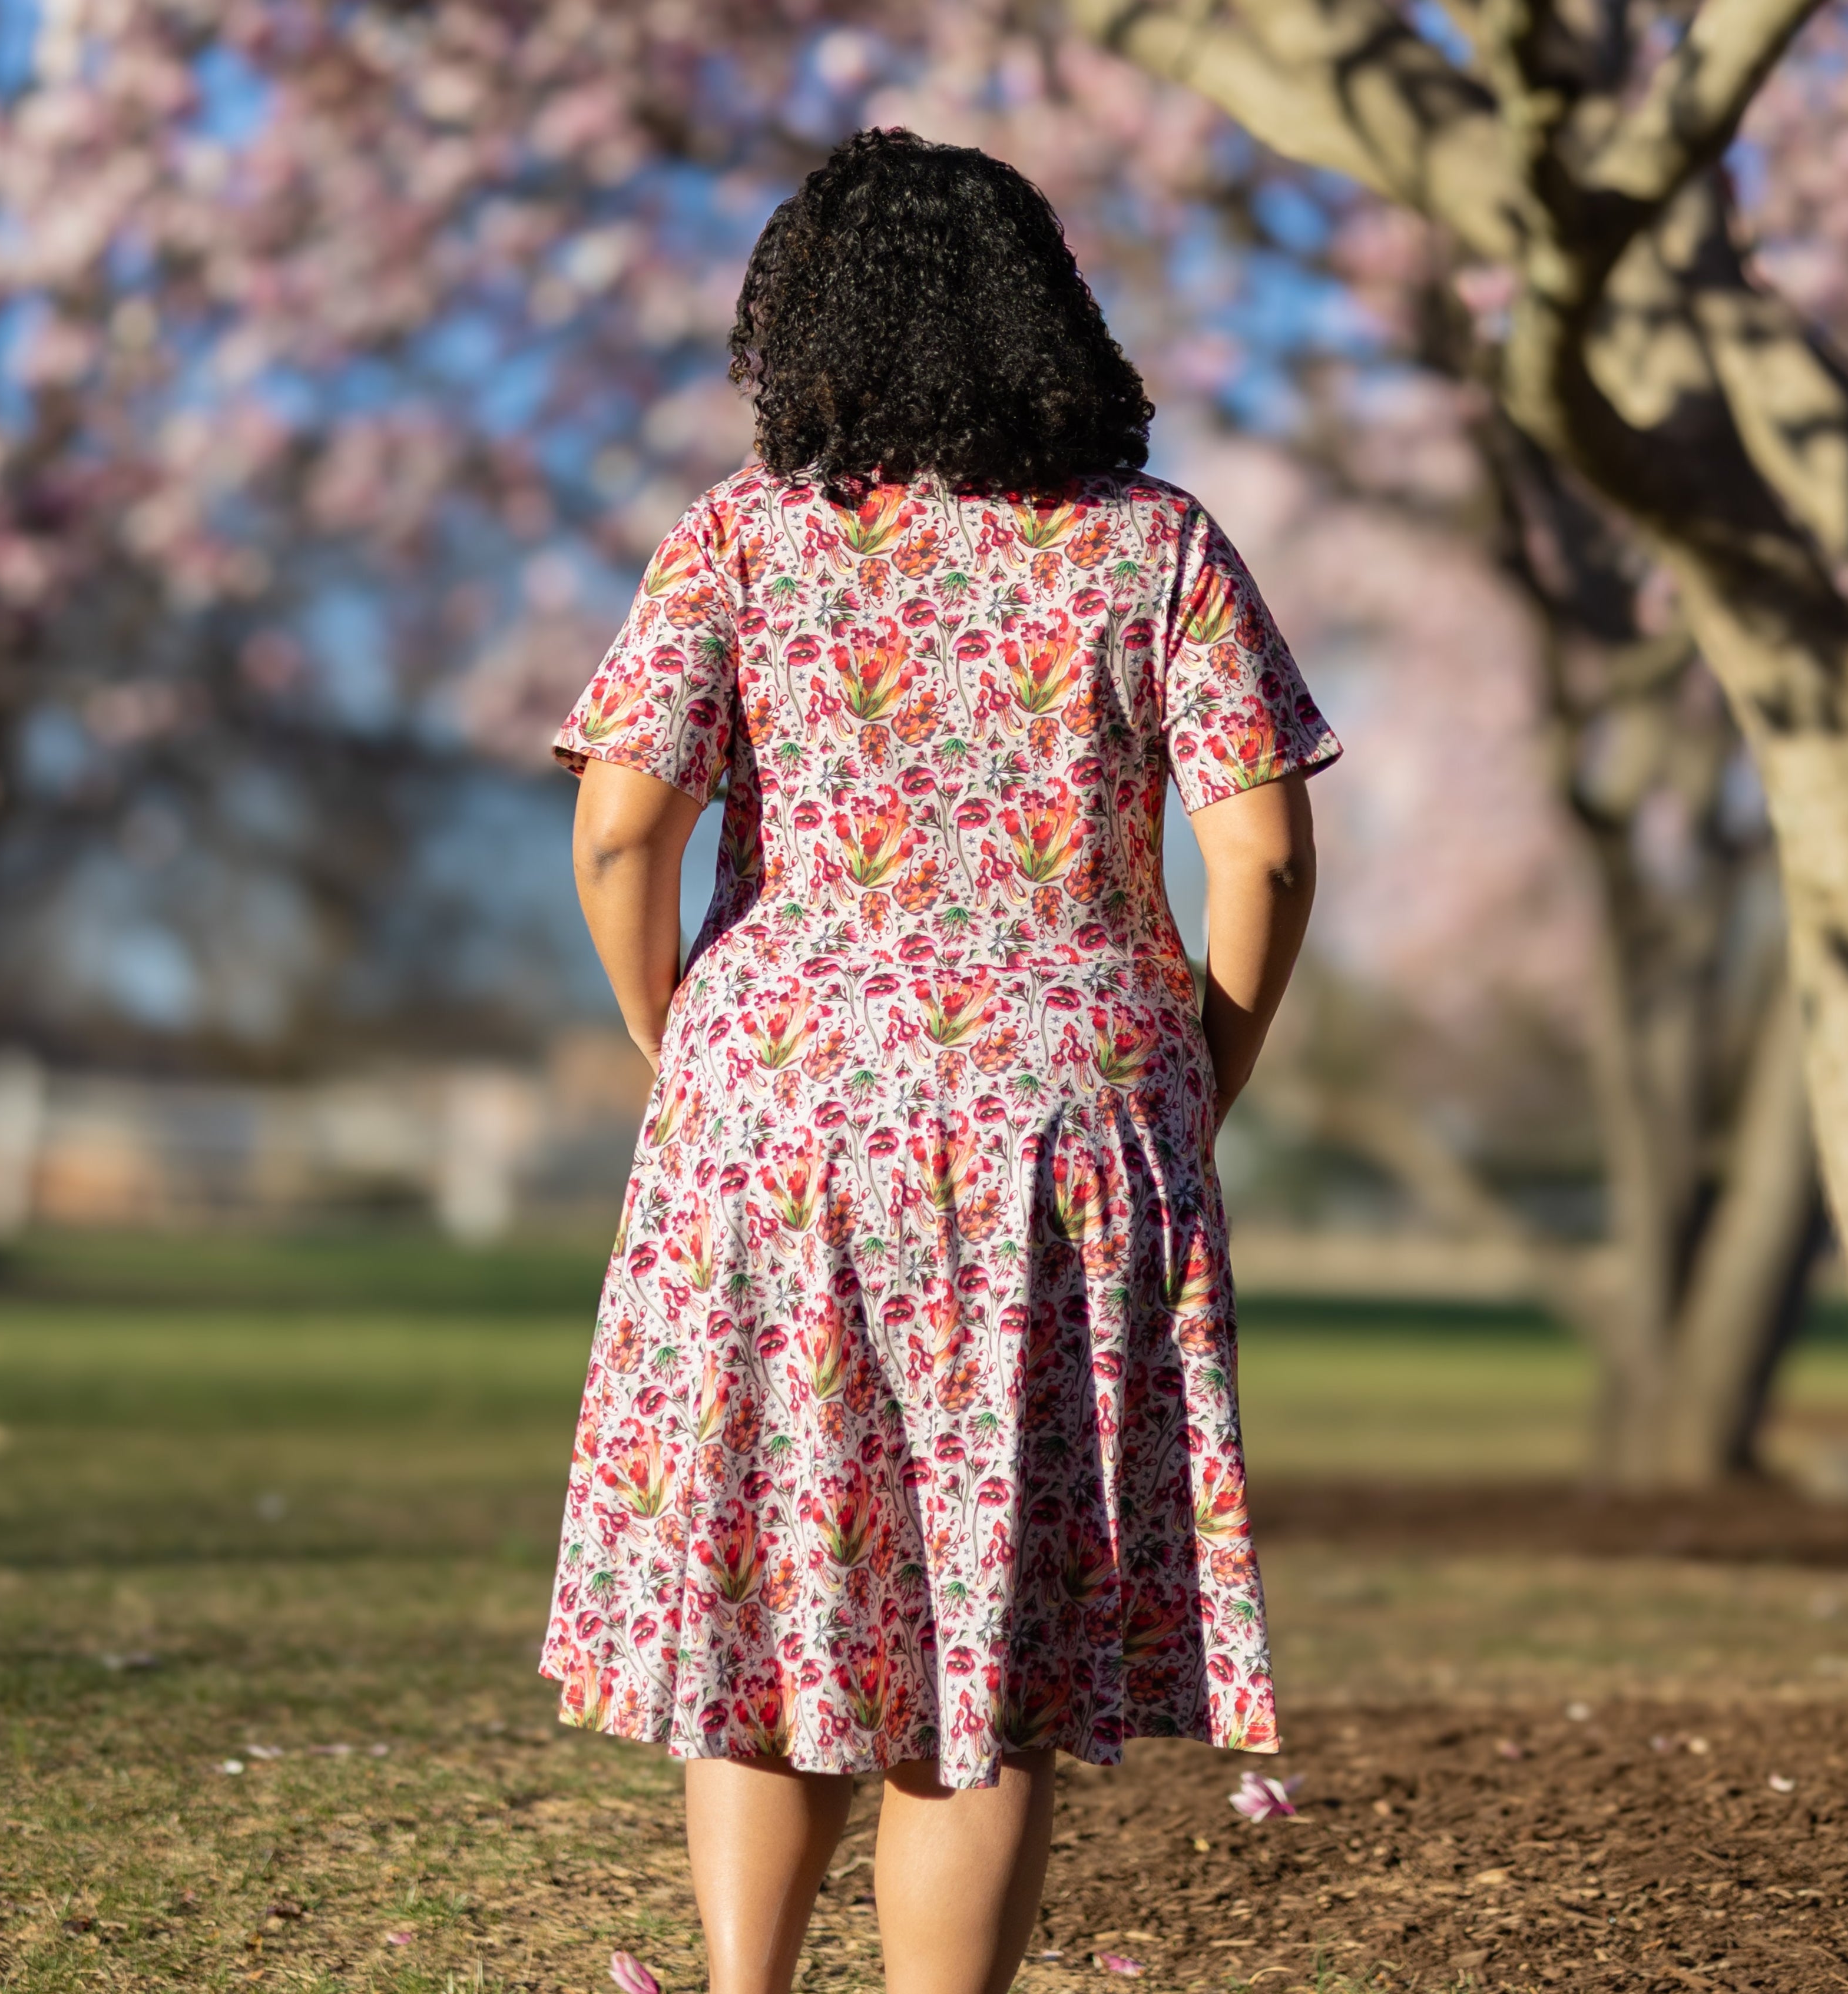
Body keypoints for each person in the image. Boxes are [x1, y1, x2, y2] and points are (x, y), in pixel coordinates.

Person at [543, 127, 1340, 1994]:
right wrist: (1197, 1066)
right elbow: (1266, 848)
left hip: (777, 1101)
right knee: (980, 1620)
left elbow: (615, 830)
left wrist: (680, 1029)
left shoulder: (741, 533)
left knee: (767, 1567)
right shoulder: (1154, 543)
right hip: (1069, 1114)